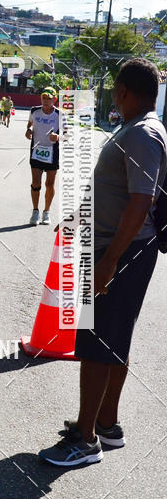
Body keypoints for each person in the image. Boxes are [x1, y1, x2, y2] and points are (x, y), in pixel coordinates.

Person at [40, 59, 167, 466]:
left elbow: (140, 200)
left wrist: (110, 260)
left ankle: (86, 439)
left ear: (124, 90)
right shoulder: (135, 128)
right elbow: (115, 190)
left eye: (114, 89)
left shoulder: (143, 132)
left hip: (120, 251)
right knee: (113, 338)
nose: (113, 95)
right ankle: (107, 424)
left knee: (96, 343)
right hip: (117, 247)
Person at [25, 87, 67, 226]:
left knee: (49, 184)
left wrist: (58, 137)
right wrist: (29, 131)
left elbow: (67, 135)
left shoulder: (59, 114)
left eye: (49, 98)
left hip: (51, 153)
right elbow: (30, 124)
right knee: (36, 183)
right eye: (44, 98)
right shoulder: (34, 111)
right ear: (41, 98)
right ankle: (35, 211)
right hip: (36, 151)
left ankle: (46, 212)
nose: (46, 101)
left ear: (54, 99)